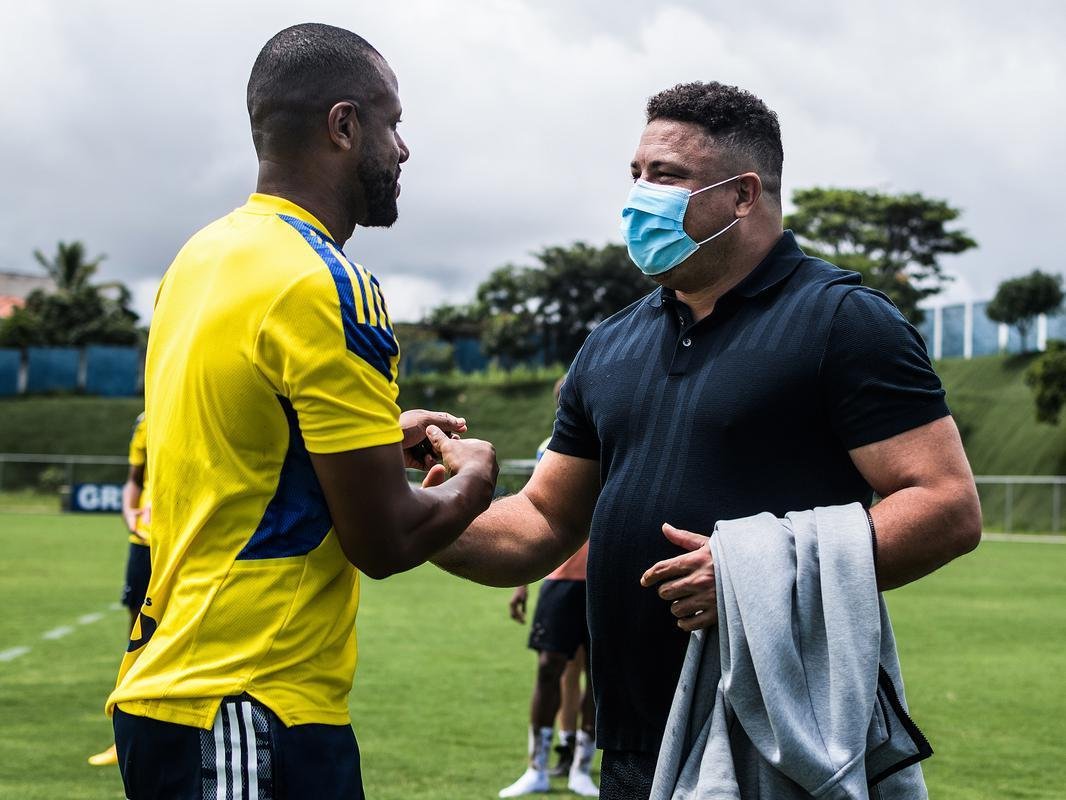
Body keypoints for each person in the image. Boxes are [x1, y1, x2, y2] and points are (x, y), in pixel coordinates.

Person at [429, 80, 982, 800]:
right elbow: (539, 523)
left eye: (666, 176)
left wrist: (760, 577)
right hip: (627, 742)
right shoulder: (610, 344)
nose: (637, 197)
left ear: (744, 194)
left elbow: (947, 504)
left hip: (777, 742)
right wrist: (410, 510)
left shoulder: (844, 321)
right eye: (635, 175)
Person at [106, 23, 497, 800]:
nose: (403, 148)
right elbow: (384, 539)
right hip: (249, 697)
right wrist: (477, 479)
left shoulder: (201, 258)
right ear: (344, 125)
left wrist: (380, 434)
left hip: (170, 687)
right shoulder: (329, 282)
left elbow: (249, 453)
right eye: (393, 122)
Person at [500, 389, 598, 798]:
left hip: (603, 577)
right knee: (548, 669)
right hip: (558, 576)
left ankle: (581, 766)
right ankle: (537, 767)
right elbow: (533, 513)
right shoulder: (551, 450)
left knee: (598, 675)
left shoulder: (620, 438)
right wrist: (521, 579)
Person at [87, 411, 152, 767]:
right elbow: (134, 479)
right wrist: (130, 512)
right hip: (145, 542)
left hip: (190, 541)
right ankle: (127, 736)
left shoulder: (203, 399)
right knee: (138, 638)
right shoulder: (145, 421)